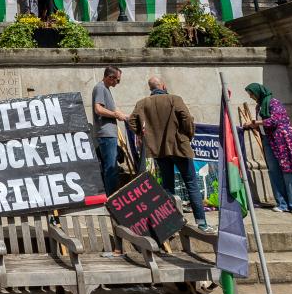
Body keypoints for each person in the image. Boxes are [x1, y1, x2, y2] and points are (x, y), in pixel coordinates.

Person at [128, 76, 214, 232]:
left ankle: (170, 224)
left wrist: (142, 134)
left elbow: (131, 121)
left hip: (159, 151)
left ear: (150, 88)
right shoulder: (175, 99)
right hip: (179, 147)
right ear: (163, 85)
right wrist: (187, 135)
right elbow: (187, 118)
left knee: (167, 187)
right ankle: (202, 224)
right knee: (192, 185)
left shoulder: (143, 103)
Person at [244, 83, 292, 215]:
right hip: (270, 141)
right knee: (274, 172)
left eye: (252, 94)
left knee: (291, 173)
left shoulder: (273, 103)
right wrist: (253, 126)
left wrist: (255, 123)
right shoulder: (260, 107)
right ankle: (283, 203)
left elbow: (276, 120)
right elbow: (264, 123)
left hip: (284, 141)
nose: (251, 97)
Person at [92, 66, 127, 195]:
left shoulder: (105, 89)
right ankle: (112, 197)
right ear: (110, 77)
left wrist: (124, 116)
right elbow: (98, 109)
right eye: (117, 80)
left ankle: (112, 195)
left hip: (108, 133)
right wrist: (116, 115)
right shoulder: (100, 88)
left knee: (111, 166)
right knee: (111, 168)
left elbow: (113, 109)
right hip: (106, 134)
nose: (117, 83)